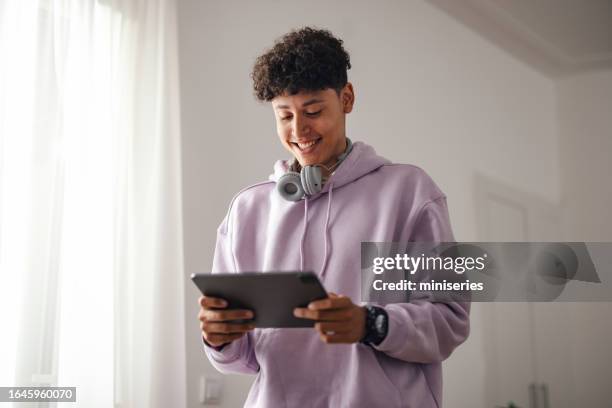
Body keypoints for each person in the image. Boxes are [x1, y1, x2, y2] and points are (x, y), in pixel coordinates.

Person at [198, 26, 470, 407]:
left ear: (347, 98)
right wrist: (220, 337)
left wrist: (371, 324)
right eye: (284, 116)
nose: (299, 130)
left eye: (313, 111)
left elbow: (449, 321)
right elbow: (241, 359)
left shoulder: (410, 193)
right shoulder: (247, 210)